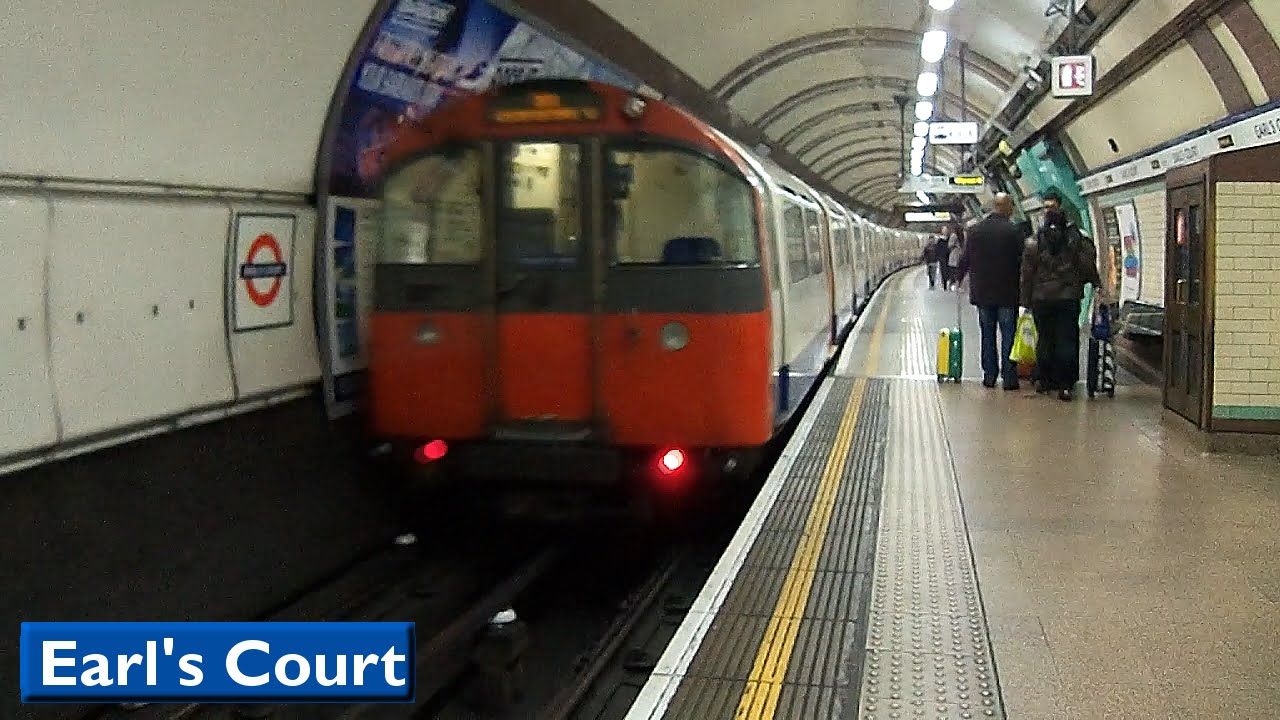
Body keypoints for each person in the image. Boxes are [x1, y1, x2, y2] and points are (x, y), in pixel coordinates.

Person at [1020, 207, 1102, 401]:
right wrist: (1096, 284)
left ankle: (1045, 379)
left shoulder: (1034, 243)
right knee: (1067, 339)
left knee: (1045, 338)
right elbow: (1087, 266)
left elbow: (1027, 275)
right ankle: (1065, 384)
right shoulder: (1077, 241)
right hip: (1068, 298)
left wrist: (1025, 301)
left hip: (1041, 299)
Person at [956, 193, 1025, 390]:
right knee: (1008, 335)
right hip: (1007, 293)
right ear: (1006, 207)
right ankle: (1009, 377)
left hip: (983, 293)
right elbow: (1023, 261)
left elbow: (965, 258)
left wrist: (958, 278)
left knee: (987, 334)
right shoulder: (1014, 231)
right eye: (1011, 206)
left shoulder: (976, 231)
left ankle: (989, 375)